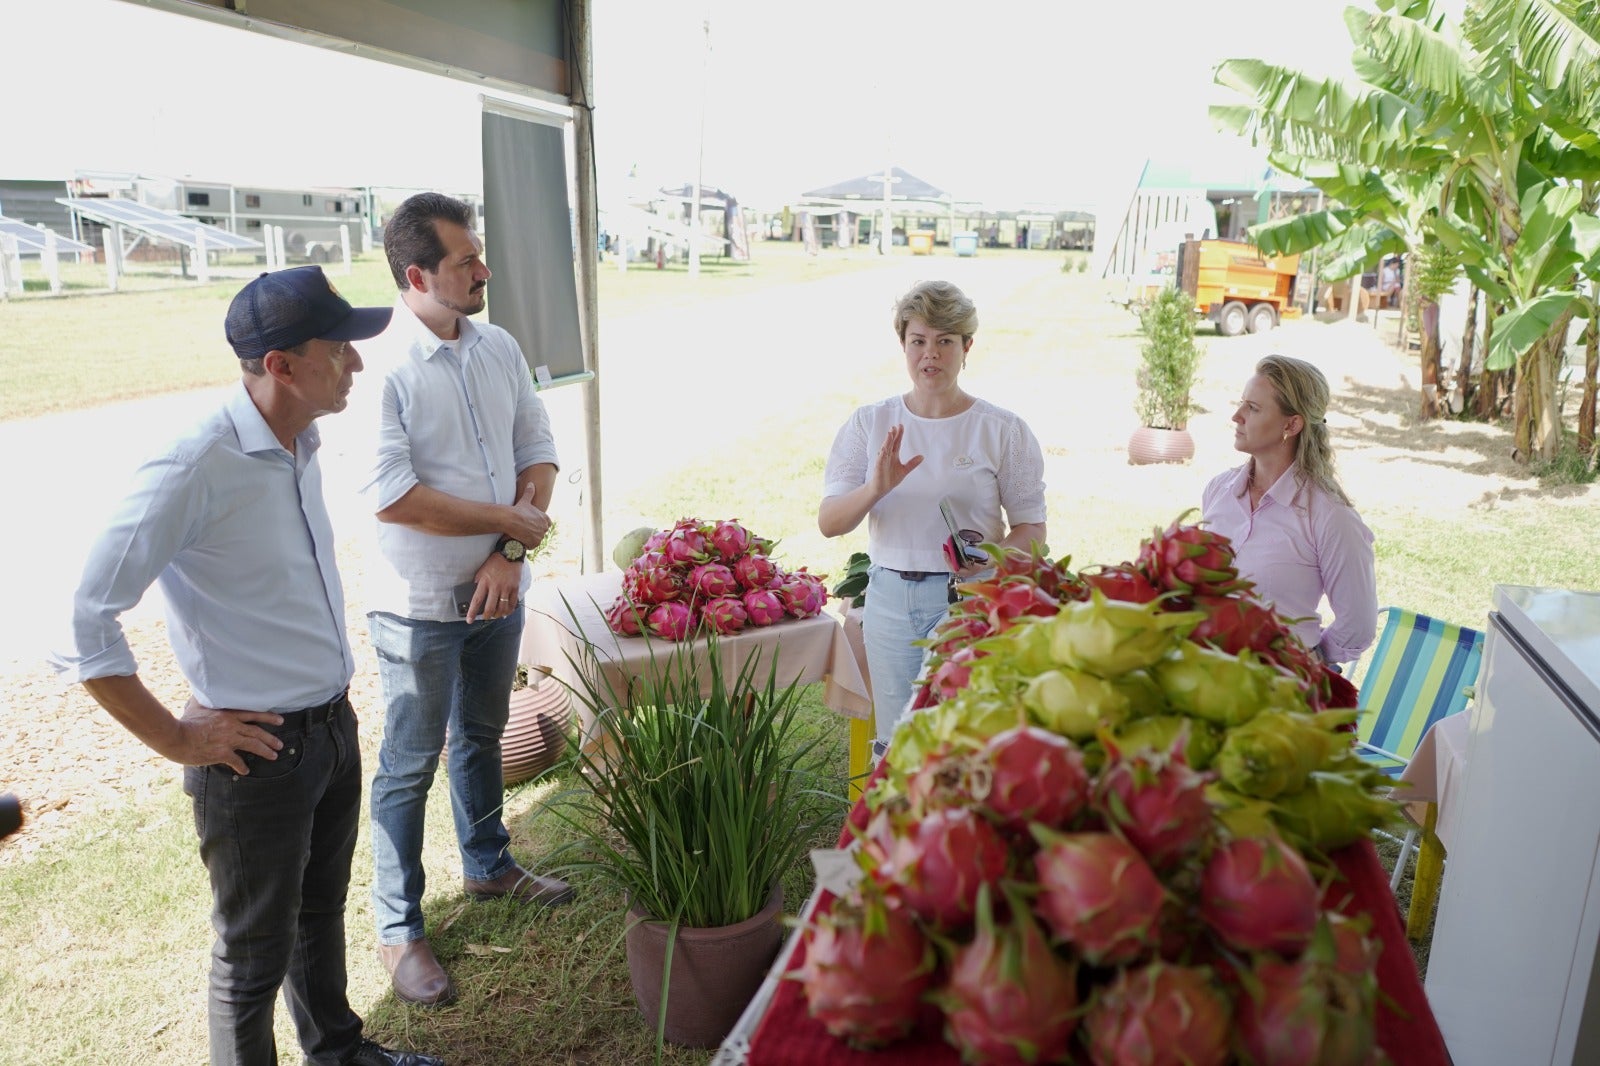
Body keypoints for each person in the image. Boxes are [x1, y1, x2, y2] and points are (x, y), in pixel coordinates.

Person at [49, 267, 442, 1066]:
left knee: (319, 914)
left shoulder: (300, 441)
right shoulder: (194, 464)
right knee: (252, 955)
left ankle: (338, 1052)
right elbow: (82, 620)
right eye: (339, 348)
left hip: (329, 728)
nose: (357, 363)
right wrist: (177, 739)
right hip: (255, 755)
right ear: (280, 365)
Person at [361, 192, 573, 1009]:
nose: (485, 270)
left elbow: (538, 448)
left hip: (500, 585)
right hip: (415, 602)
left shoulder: (500, 345)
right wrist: (506, 522)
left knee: (481, 736)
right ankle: (399, 928)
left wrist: (509, 552)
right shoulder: (380, 365)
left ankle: (488, 866)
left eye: (479, 254)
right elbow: (391, 496)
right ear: (417, 276)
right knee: (409, 764)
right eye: (466, 261)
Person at [818, 280, 1048, 749]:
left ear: (967, 347)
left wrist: (989, 558)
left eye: (945, 341)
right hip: (889, 600)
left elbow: (1032, 530)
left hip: (968, 598)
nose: (931, 355)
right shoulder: (870, 422)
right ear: (903, 345)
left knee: (962, 738)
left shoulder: (1002, 429)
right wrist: (875, 488)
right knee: (897, 741)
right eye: (918, 341)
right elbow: (830, 522)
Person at [1201, 354, 1378, 667]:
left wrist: (1310, 659)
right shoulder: (1219, 491)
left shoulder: (1330, 516)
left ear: (1292, 424)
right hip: (1205, 670)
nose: (1236, 416)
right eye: (1242, 403)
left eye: (1253, 408)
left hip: (1278, 685)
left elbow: (1358, 625)